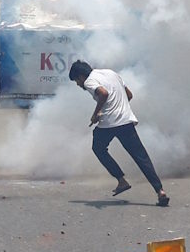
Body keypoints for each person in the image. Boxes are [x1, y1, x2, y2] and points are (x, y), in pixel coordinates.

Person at [68, 60, 170, 207]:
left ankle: (121, 180)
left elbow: (103, 93)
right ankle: (160, 191)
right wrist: (120, 108)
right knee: (141, 157)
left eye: (77, 81)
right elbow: (129, 95)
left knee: (98, 149)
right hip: (126, 121)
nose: (78, 85)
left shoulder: (89, 81)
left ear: (81, 76)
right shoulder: (111, 73)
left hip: (109, 124)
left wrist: (96, 114)